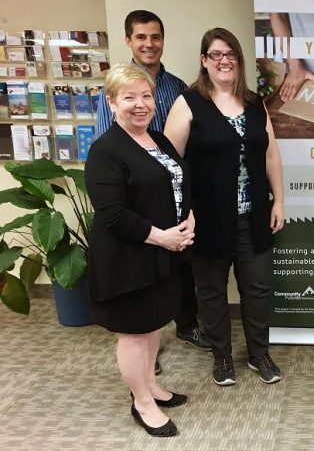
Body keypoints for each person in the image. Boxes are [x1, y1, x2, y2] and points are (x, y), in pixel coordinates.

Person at [164, 27, 285, 386]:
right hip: (208, 218)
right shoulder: (189, 103)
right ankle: (221, 358)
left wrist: (279, 199)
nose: (224, 61)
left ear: (239, 60)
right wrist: (183, 213)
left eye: (230, 54)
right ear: (204, 61)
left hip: (254, 215)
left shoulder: (253, 102)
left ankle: (259, 353)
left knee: (258, 288)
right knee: (212, 291)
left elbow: (271, 154)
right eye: (215, 54)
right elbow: (171, 165)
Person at [95, 10, 211, 368]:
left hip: (169, 193)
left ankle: (183, 326)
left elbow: (183, 150)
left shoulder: (177, 87)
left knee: (173, 280)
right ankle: (144, 364)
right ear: (129, 40)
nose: (149, 43)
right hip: (135, 201)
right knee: (139, 300)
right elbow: (107, 151)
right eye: (141, 37)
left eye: (155, 37)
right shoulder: (113, 93)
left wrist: (186, 205)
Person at [85, 64, 195, 437]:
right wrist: (164, 238)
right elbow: (113, 214)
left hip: (159, 255)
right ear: (112, 101)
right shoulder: (105, 151)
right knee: (134, 332)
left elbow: (177, 182)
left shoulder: (158, 140)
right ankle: (141, 402)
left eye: (146, 96)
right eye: (129, 97)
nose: (140, 104)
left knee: (153, 326)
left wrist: (189, 217)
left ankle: (151, 387)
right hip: (127, 258)